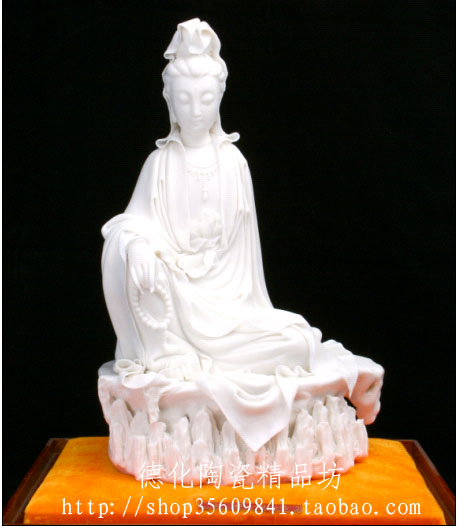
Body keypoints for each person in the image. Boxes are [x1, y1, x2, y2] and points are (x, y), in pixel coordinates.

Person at [101, 19, 382, 451]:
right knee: (121, 250)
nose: (196, 110)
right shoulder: (160, 165)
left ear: (220, 99)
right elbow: (127, 224)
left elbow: (248, 277)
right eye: (185, 99)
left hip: (230, 313)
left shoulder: (234, 164)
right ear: (169, 100)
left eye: (205, 99)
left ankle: (209, 362)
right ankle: (170, 355)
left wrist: (232, 303)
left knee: (295, 342)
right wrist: (138, 245)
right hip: (176, 300)